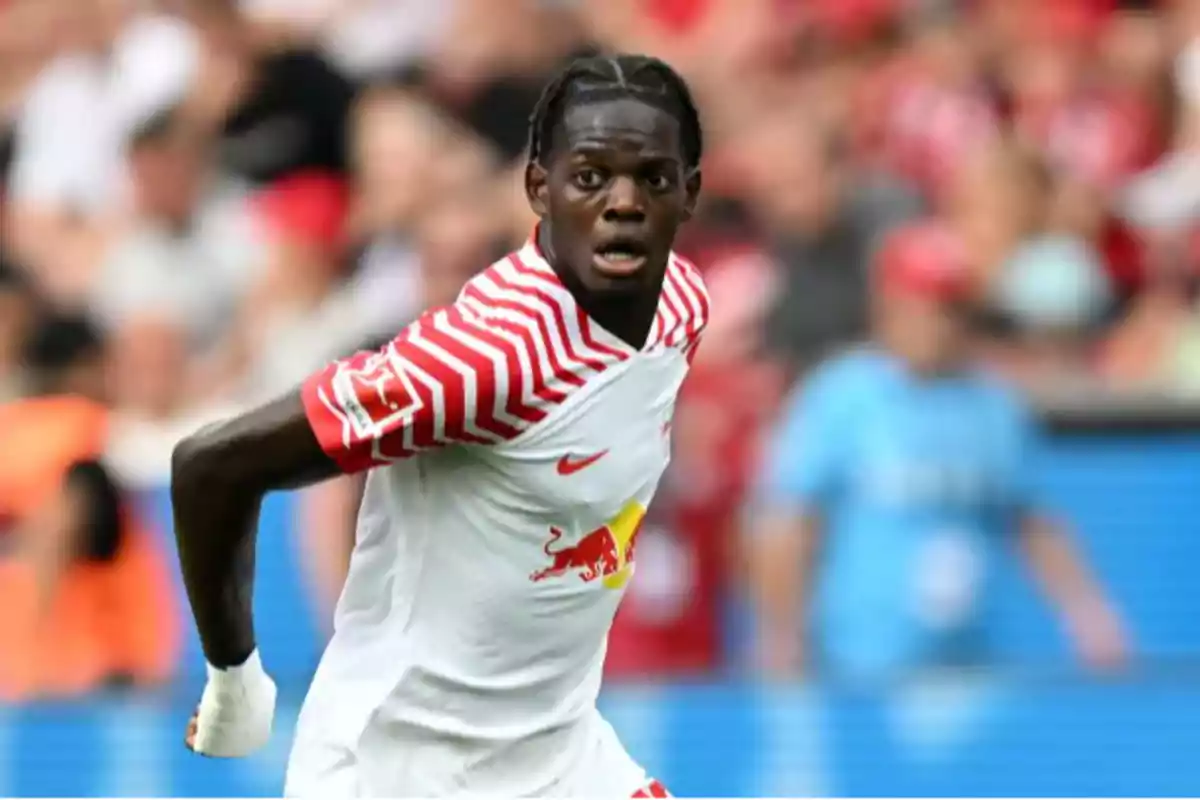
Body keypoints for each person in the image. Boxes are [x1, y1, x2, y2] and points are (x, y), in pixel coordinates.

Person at [172, 54, 708, 798]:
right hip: (402, 765)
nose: (622, 202)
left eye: (652, 177)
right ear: (538, 189)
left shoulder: (681, 305)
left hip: (561, 752)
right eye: (589, 176)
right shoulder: (482, 361)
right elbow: (211, 464)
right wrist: (235, 681)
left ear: (690, 192)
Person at [746, 221, 1128, 680]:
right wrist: (781, 637)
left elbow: (1031, 519)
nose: (938, 324)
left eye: (951, 308)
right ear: (888, 306)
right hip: (859, 669)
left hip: (968, 665)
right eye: (924, 306)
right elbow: (789, 522)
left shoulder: (991, 404)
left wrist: (1088, 614)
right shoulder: (842, 396)